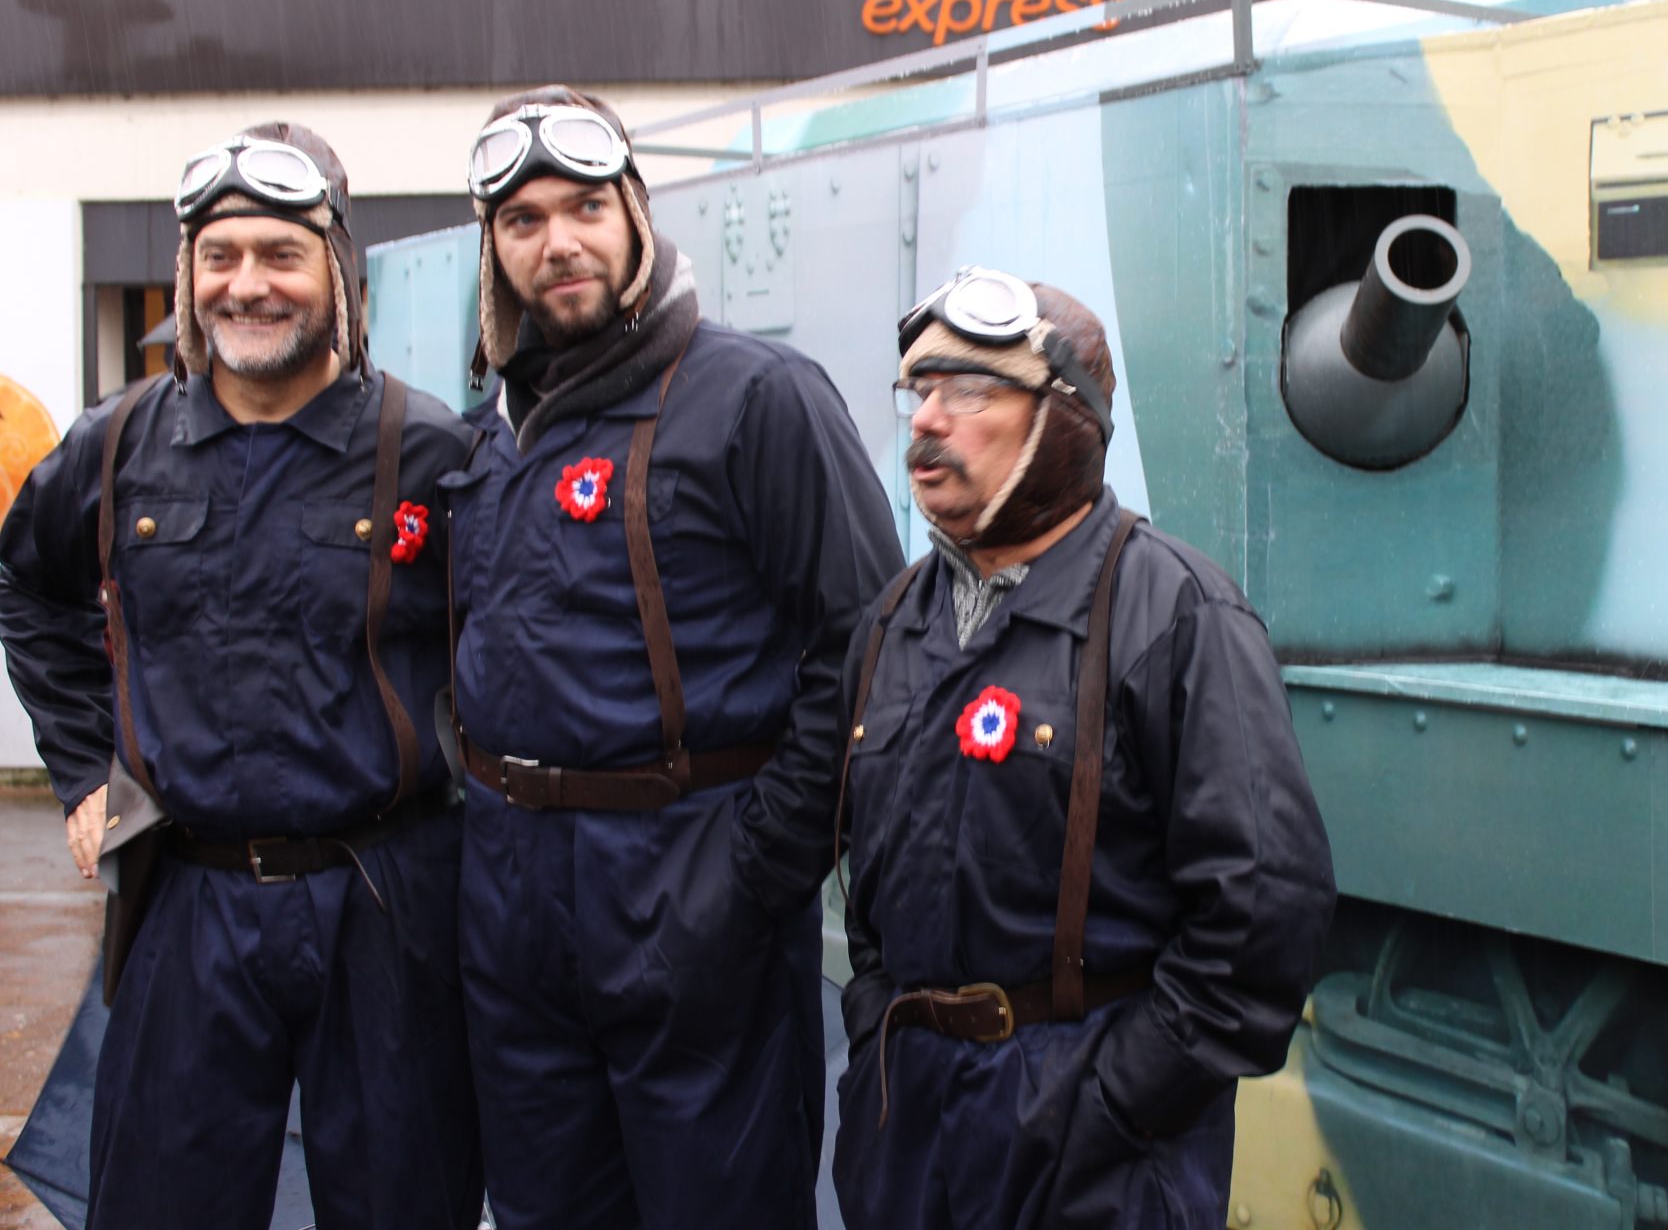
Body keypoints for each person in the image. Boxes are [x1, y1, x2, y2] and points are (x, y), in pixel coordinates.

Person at [0, 123, 482, 1229]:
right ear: (187, 274)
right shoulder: (119, 445)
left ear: (335, 269)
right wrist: (85, 772)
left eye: (280, 254)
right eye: (218, 255)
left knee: (407, 1202)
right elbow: (26, 581)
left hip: (385, 903)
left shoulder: (429, 453)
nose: (247, 283)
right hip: (185, 898)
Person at [448, 85, 903, 1230]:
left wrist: (753, 871)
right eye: (522, 220)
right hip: (511, 904)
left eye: (585, 208)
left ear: (636, 216)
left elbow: (863, 645)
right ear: (494, 249)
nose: (558, 242)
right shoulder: (492, 435)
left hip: (691, 889)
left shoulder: (755, 397)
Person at [833, 267, 1336, 1228]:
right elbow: (870, 880)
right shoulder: (894, 620)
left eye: (968, 390)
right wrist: (877, 1029)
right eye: (920, 389)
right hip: (908, 1133)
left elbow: (1264, 914)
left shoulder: (1175, 611)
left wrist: (1113, 1102)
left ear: (1063, 417)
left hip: (1090, 1154)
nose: (927, 419)